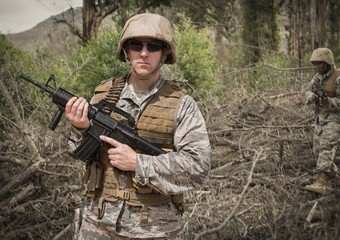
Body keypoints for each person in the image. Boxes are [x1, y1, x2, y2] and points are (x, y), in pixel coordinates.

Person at [65, 13, 211, 239]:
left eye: (153, 46)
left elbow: (198, 167)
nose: (144, 53)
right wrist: (80, 128)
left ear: (164, 53)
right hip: (98, 223)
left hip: (155, 229)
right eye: (135, 45)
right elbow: (78, 153)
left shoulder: (182, 105)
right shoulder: (104, 95)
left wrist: (138, 163)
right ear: (126, 51)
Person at [304, 47, 340, 194]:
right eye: (315, 63)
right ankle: (335, 178)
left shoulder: (338, 78)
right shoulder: (317, 78)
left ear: (327, 63)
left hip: (335, 120)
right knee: (317, 151)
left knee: (326, 149)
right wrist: (312, 97)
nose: (317, 66)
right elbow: (307, 90)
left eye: (319, 63)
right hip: (321, 119)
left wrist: (328, 102)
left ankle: (321, 182)